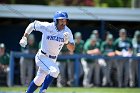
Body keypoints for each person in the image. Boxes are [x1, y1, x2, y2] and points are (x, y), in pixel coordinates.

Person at [19, 11, 75, 93]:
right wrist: (24, 37)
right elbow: (32, 25)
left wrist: (67, 42)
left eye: (65, 20)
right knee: (55, 71)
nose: (63, 23)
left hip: (53, 59)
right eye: (61, 20)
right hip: (42, 56)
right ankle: (43, 91)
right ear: (56, 21)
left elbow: (72, 49)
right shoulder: (48, 26)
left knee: (39, 80)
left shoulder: (67, 31)